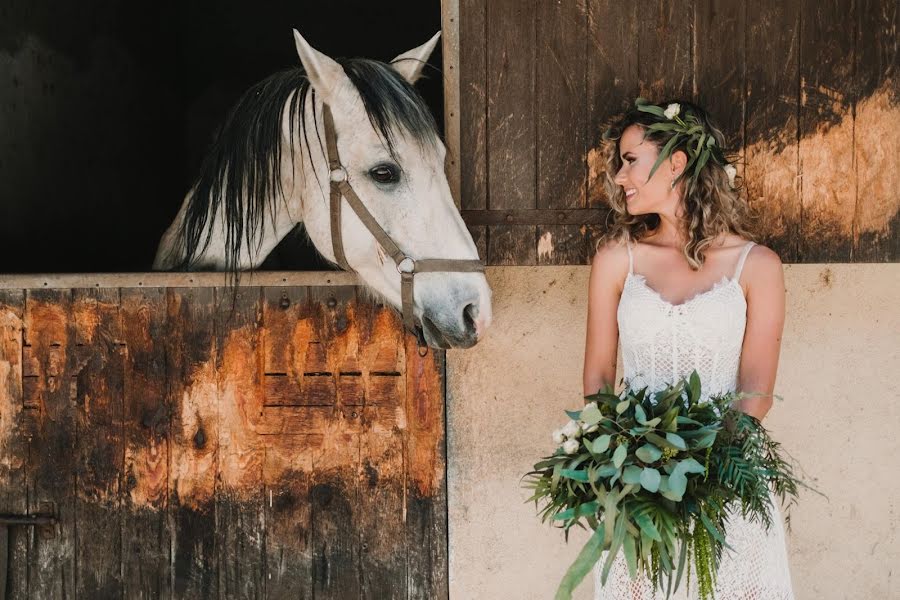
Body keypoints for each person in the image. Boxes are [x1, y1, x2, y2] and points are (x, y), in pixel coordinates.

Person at [583, 99, 795, 599]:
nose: (619, 176)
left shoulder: (757, 265)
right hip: (634, 488)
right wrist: (624, 462)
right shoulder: (617, 260)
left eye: (631, 159)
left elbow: (756, 392)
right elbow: (597, 378)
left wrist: (701, 475)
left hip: (726, 482)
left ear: (676, 162)